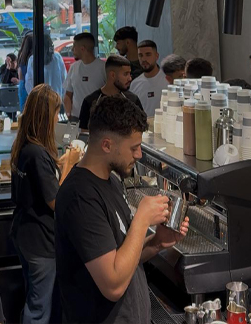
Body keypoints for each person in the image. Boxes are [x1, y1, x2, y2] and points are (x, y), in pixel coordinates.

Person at [55, 95, 189, 324]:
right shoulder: (80, 197)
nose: (139, 155)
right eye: (133, 148)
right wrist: (142, 220)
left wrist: (157, 242)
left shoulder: (111, 181)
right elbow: (113, 285)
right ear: (107, 145)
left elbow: (123, 257)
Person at [10, 84, 81, 324]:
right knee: (39, 309)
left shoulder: (25, 146)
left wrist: (60, 163)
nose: (57, 118)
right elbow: (55, 201)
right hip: (40, 243)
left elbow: (41, 179)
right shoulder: (37, 153)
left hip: (24, 234)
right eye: (55, 113)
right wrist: (70, 163)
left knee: (33, 299)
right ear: (44, 115)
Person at [79, 55, 144, 131]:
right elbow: (85, 134)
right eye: (125, 74)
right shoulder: (90, 102)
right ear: (112, 75)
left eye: (130, 74)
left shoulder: (133, 100)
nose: (130, 78)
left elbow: (141, 129)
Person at [63, 33, 106, 121]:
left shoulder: (103, 68)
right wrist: (68, 114)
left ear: (82, 48)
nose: (72, 49)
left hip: (97, 120)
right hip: (76, 118)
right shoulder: (73, 67)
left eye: (74, 46)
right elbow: (68, 94)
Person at [129, 40, 168, 117]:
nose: (144, 59)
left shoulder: (167, 80)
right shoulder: (134, 84)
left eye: (148, 54)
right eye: (140, 55)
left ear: (156, 56)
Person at [25, 34, 67, 99]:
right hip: (56, 98)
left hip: (40, 98)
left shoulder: (33, 59)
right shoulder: (57, 57)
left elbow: (29, 82)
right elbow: (64, 78)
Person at [18, 33, 34, 111]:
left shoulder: (22, 55)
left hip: (22, 84)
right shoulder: (32, 57)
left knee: (24, 111)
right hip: (30, 85)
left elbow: (20, 74)